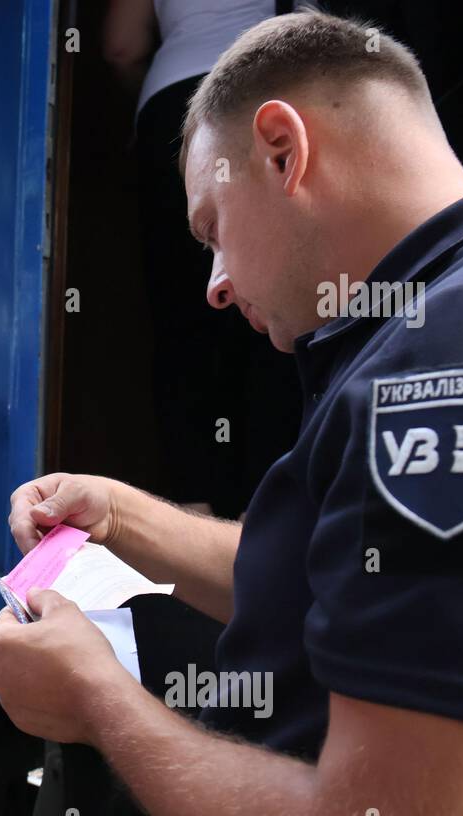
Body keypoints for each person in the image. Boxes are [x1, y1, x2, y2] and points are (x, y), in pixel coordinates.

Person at [0, 11, 463, 816]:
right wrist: (117, 514)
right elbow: (344, 579)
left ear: (281, 149)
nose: (217, 286)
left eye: (212, 230)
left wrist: (101, 701)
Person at [104, 0, 299, 518]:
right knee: (275, 319)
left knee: (183, 326)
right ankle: (268, 512)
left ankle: (195, 513)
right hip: (273, 93)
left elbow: (121, 45)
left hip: (173, 102)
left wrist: (137, 110)